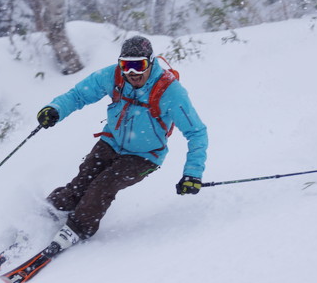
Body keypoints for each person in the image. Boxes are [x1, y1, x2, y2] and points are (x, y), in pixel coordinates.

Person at [35, 35, 208, 255]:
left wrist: (193, 173)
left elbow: (197, 132)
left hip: (145, 156)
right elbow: (79, 95)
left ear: (151, 62)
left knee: (102, 186)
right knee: (80, 183)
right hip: (111, 142)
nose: (132, 73)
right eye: (126, 65)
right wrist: (55, 109)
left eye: (139, 65)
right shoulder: (114, 76)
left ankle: (78, 228)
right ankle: (48, 213)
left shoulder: (169, 91)